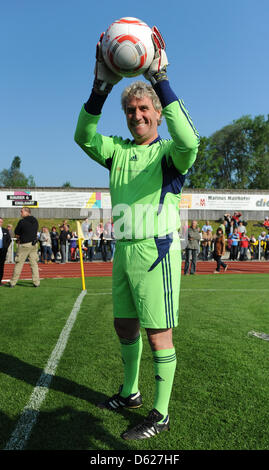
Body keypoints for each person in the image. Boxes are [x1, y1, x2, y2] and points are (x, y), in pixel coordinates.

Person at [74, 27, 199, 441]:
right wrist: (101, 88)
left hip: (156, 251)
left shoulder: (169, 154)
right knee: (124, 326)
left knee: (157, 331)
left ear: (157, 112)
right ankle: (130, 394)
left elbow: (190, 140)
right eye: (132, 111)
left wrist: (162, 81)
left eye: (145, 109)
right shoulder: (119, 151)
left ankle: (160, 415)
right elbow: (84, 136)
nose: (138, 116)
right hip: (124, 250)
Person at [9, 207, 40, 287]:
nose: (21, 213)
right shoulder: (35, 220)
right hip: (34, 244)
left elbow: (17, 233)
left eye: (22, 211)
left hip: (24, 244)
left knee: (19, 263)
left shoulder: (22, 221)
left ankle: (13, 282)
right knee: (34, 264)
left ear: (27, 212)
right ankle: (36, 282)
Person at [0, 217, 12, 286]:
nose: (0, 223)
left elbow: (9, 240)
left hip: (2, 251)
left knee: (1, 266)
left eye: (1, 222)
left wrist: (5, 247)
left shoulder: (5, 230)